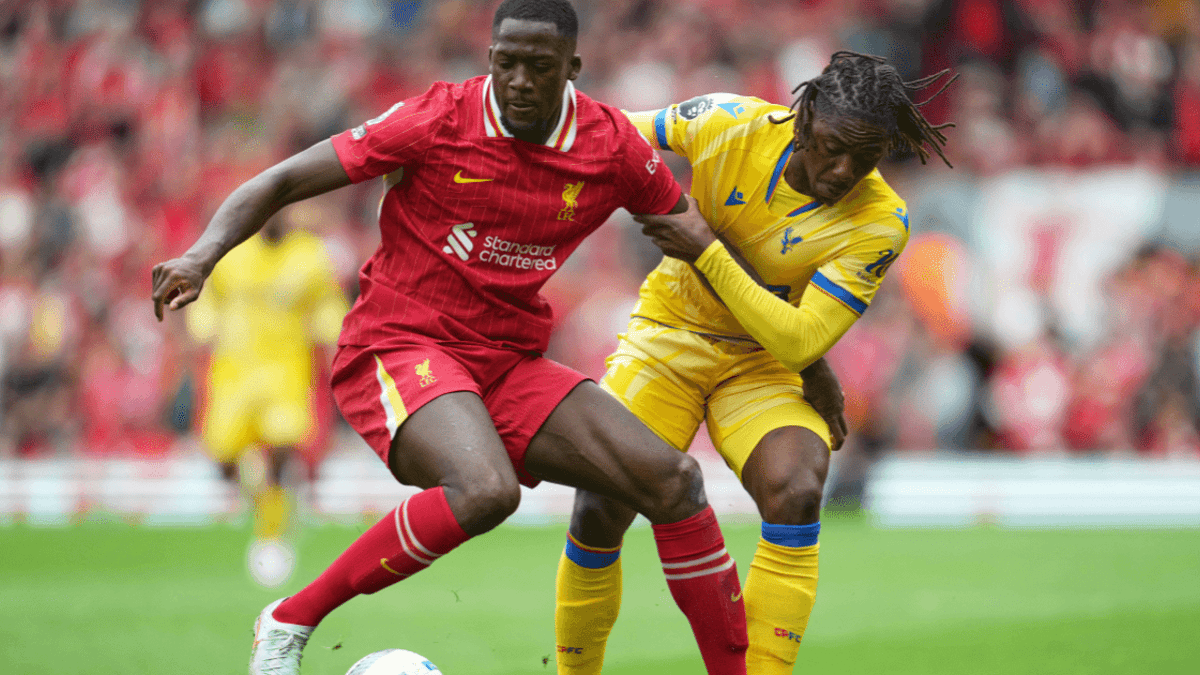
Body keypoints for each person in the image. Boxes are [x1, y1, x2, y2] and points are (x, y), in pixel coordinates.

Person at [150, 1, 749, 674]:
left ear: (572, 70)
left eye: (538, 67)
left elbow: (697, 239)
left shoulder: (611, 147)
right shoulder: (437, 119)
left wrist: (796, 353)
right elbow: (283, 178)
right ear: (489, 58)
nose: (518, 80)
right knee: (485, 488)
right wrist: (203, 254)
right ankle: (290, 616)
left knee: (673, 480)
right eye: (505, 63)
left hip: (507, 362)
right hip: (400, 343)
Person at [554, 51, 955, 675]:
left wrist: (705, 249)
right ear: (803, 119)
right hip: (667, 338)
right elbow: (610, 132)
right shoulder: (727, 122)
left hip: (766, 366)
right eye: (831, 146)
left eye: (867, 155)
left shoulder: (881, 221)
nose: (844, 168)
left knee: (797, 490)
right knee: (601, 505)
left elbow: (798, 343)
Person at [185, 214, 346, 588]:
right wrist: (203, 325)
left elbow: (327, 303)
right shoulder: (232, 254)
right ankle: (257, 491)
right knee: (223, 458)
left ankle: (271, 537)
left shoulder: (310, 255)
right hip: (234, 375)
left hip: (285, 374)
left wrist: (330, 331)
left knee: (282, 449)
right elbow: (209, 299)